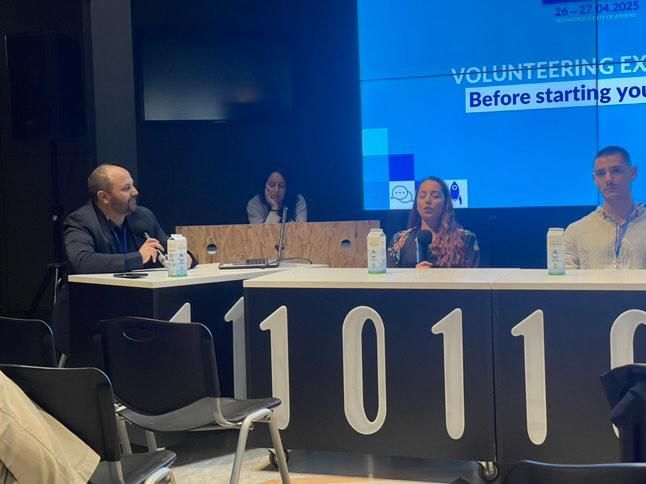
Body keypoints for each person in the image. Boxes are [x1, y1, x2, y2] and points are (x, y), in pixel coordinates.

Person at [64, 164, 195, 274]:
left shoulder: (143, 216)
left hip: (139, 292)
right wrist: (138, 258)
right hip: (97, 294)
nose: (135, 192)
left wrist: (185, 258)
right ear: (104, 197)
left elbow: (169, 247)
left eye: (132, 185)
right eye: (126, 188)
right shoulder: (81, 221)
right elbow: (83, 262)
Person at [564, 146, 646, 269]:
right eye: (601, 173)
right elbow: (565, 279)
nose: (608, 179)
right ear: (594, 179)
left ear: (633, 173)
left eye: (616, 171)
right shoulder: (576, 232)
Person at [388, 176, 479, 268]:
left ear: (445, 203)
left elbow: (474, 275)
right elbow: (390, 276)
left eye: (435, 196)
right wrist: (415, 274)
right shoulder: (399, 240)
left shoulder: (466, 239)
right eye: (422, 196)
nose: (427, 200)